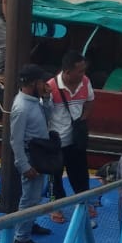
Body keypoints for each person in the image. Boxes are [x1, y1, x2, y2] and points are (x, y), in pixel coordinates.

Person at [8, 64, 54, 243]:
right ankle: (21, 237)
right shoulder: (21, 107)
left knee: (35, 196)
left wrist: (47, 98)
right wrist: (24, 166)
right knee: (29, 198)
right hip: (29, 156)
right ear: (35, 83)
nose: (45, 84)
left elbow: (48, 118)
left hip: (38, 153)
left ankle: (29, 224)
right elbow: (16, 140)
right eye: (42, 81)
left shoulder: (34, 101)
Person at [47, 51, 95, 223]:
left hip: (76, 139)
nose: (83, 74)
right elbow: (44, 114)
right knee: (55, 177)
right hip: (57, 141)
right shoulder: (50, 87)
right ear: (67, 72)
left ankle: (83, 202)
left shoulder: (85, 82)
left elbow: (90, 100)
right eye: (80, 71)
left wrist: (82, 119)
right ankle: (55, 207)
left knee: (81, 173)